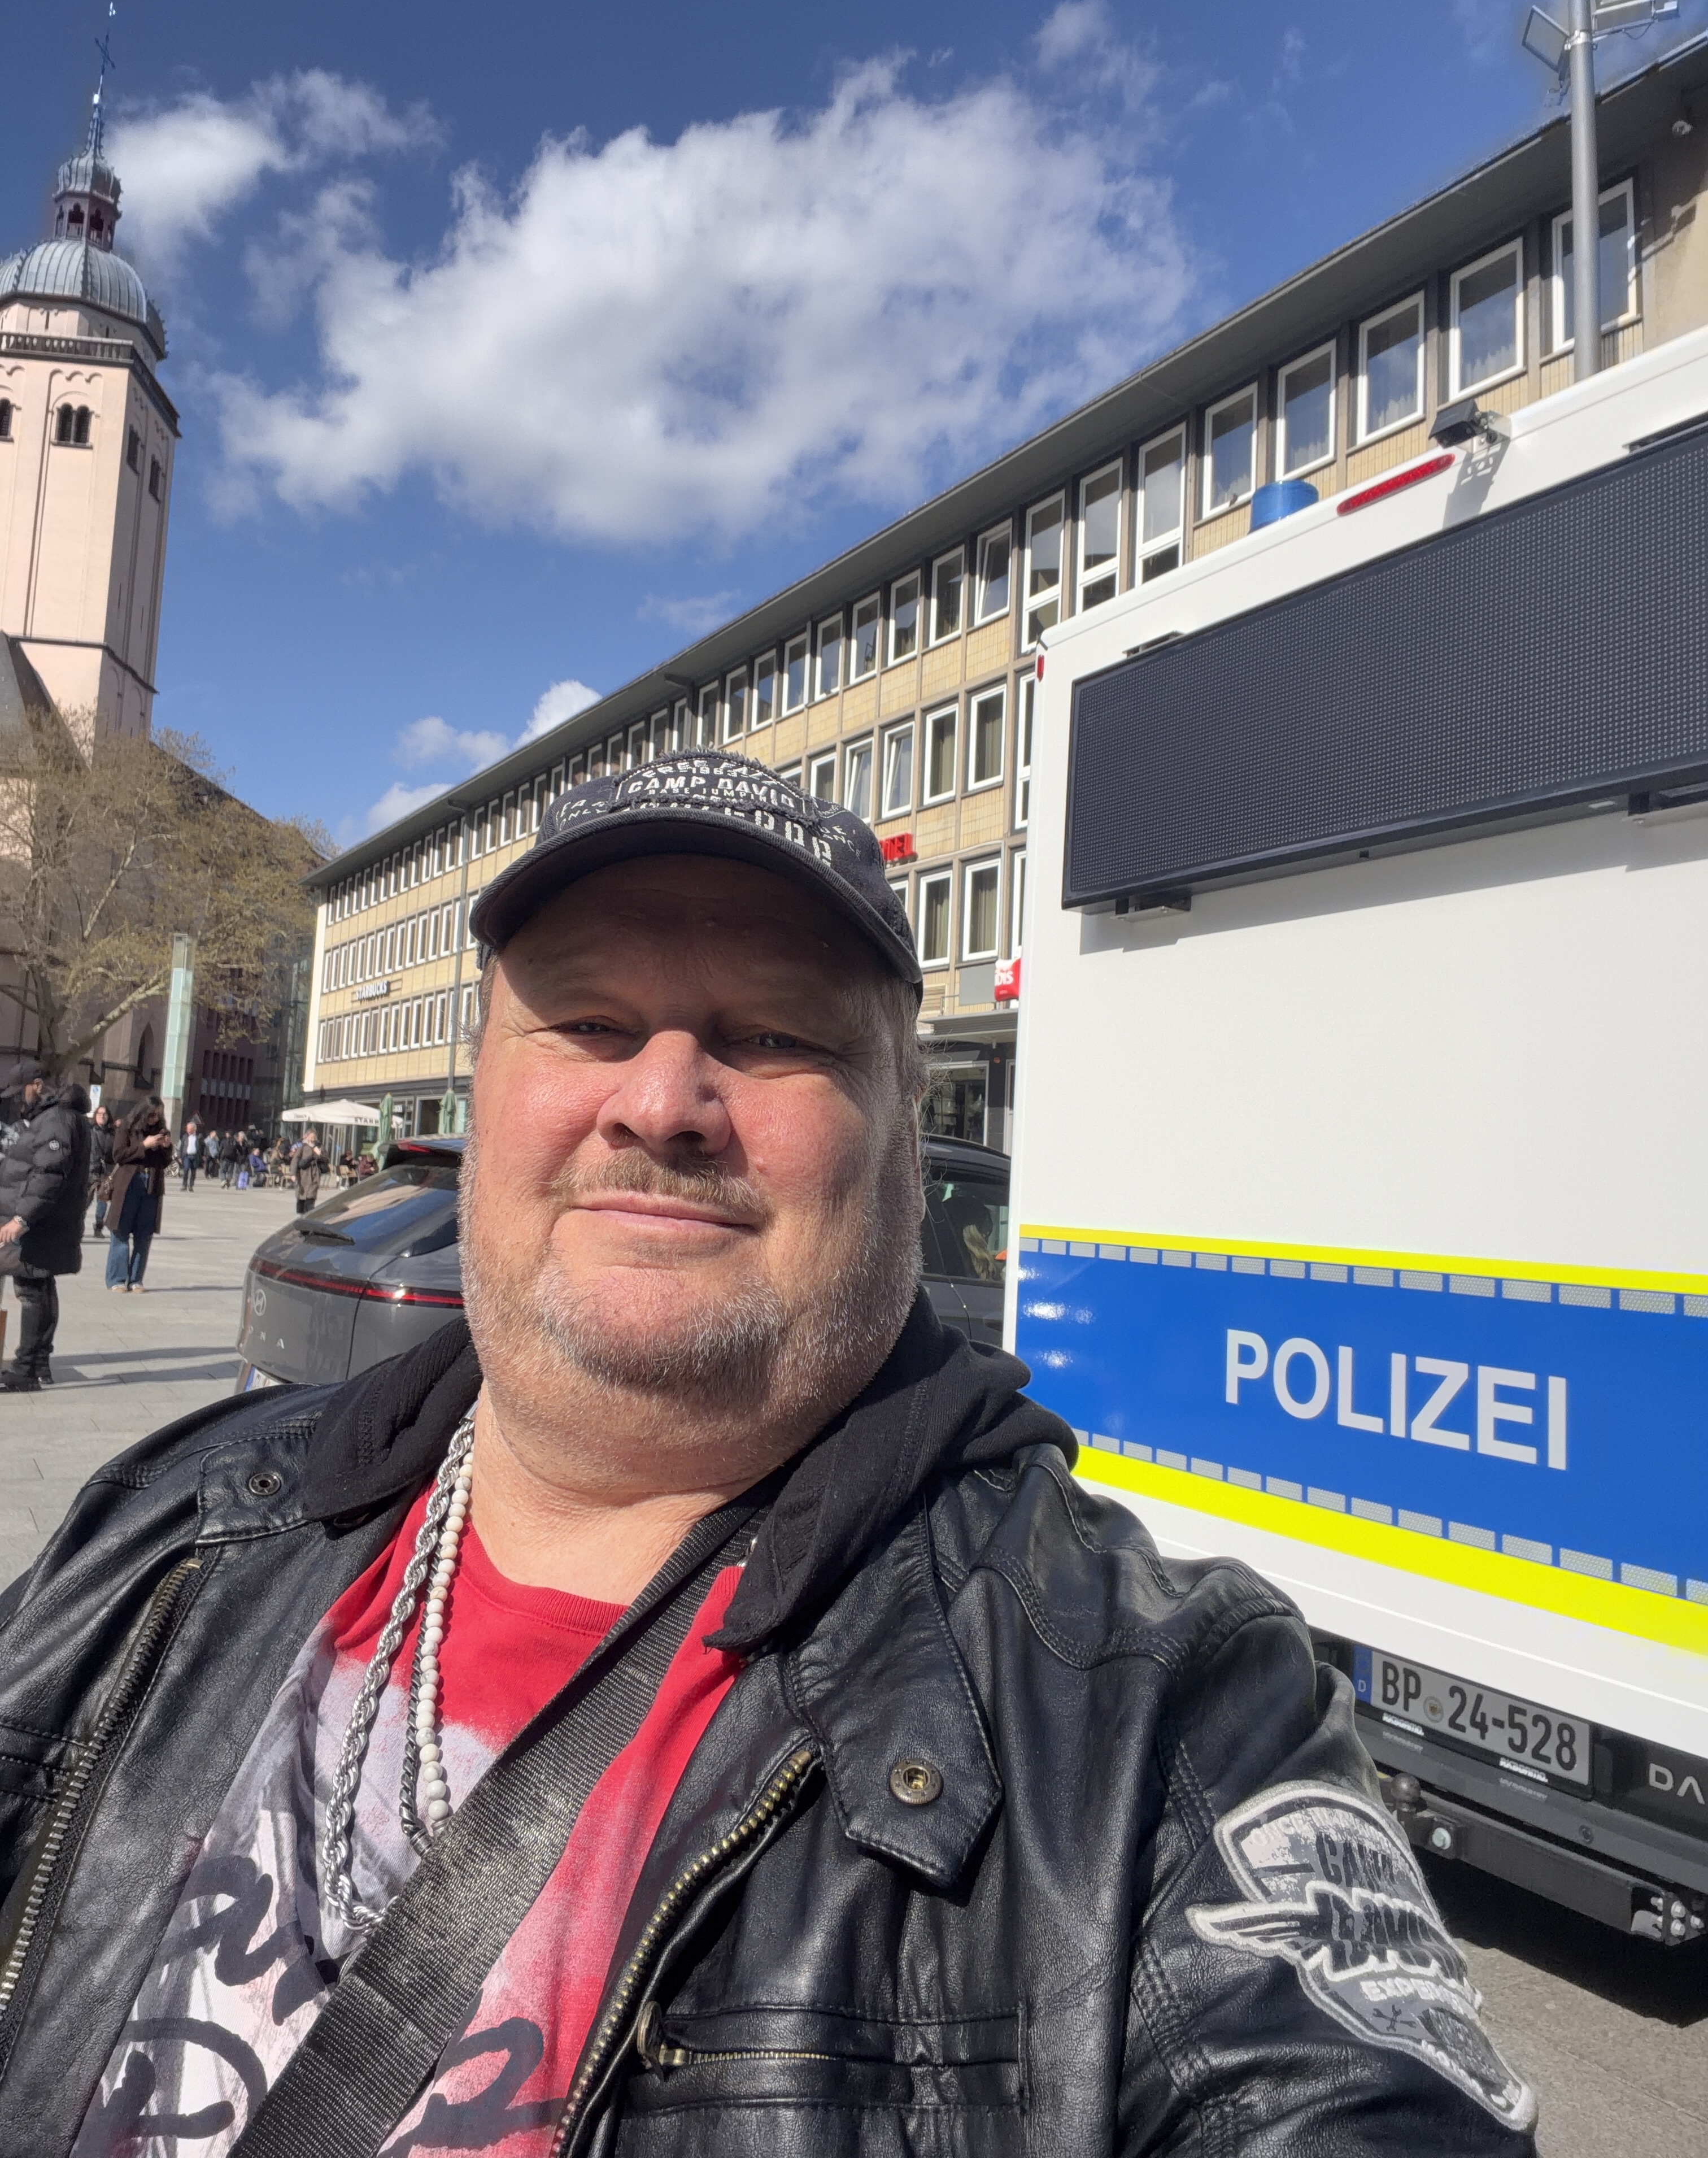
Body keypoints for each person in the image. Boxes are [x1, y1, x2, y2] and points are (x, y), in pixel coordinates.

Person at [0, 752, 1537, 2155]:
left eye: (773, 1036)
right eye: (589, 1022)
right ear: (482, 1091)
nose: (662, 1103)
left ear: (902, 1132)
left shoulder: (1156, 1707)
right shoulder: (179, 1524)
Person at [0, 1060, 91, 1393]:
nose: (17, 1100)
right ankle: (38, 1364)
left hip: (40, 1223)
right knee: (40, 1288)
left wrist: (21, 1219)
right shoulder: (56, 1117)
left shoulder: (55, 1119)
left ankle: (25, 1369)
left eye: (20, 1092)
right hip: (48, 1221)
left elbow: (48, 1174)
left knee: (31, 1293)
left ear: (37, 1085)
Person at [103, 1097, 173, 1293]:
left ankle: (136, 1279)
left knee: (144, 1234)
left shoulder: (160, 1130)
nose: (154, 1119)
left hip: (151, 1185)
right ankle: (117, 1279)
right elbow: (118, 1155)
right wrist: (144, 1145)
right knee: (121, 1231)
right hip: (129, 1184)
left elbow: (165, 1163)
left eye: (158, 1116)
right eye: (151, 1115)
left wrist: (166, 1148)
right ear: (142, 1113)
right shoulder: (126, 1127)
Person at [86, 1103, 115, 1238]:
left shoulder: (112, 1133)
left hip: (105, 1172)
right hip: (90, 1171)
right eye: (99, 1114)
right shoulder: (89, 1130)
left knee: (103, 1201)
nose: (102, 1116)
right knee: (85, 1201)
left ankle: (98, 1227)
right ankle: (77, 1226)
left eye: (105, 1114)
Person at [290, 1127, 324, 1219]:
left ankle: (309, 1212)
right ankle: (302, 1212)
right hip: (303, 1175)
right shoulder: (303, 1147)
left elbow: (326, 1159)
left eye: (314, 1137)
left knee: (311, 1194)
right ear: (307, 1136)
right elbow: (295, 1160)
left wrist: (320, 1155)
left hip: (315, 1174)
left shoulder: (319, 1147)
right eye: (312, 1137)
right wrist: (293, 1174)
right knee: (302, 1193)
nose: (313, 1139)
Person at [178, 1116, 202, 1190]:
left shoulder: (198, 1138)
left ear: (194, 1129)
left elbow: (202, 1148)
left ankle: (191, 1186)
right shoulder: (185, 1137)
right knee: (186, 1169)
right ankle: (184, 1185)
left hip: (195, 1156)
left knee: (193, 1172)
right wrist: (179, 1157)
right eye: (187, 1129)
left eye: (189, 1129)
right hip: (187, 1156)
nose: (187, 1130)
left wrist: (202, 1156)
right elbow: (181, 1147)